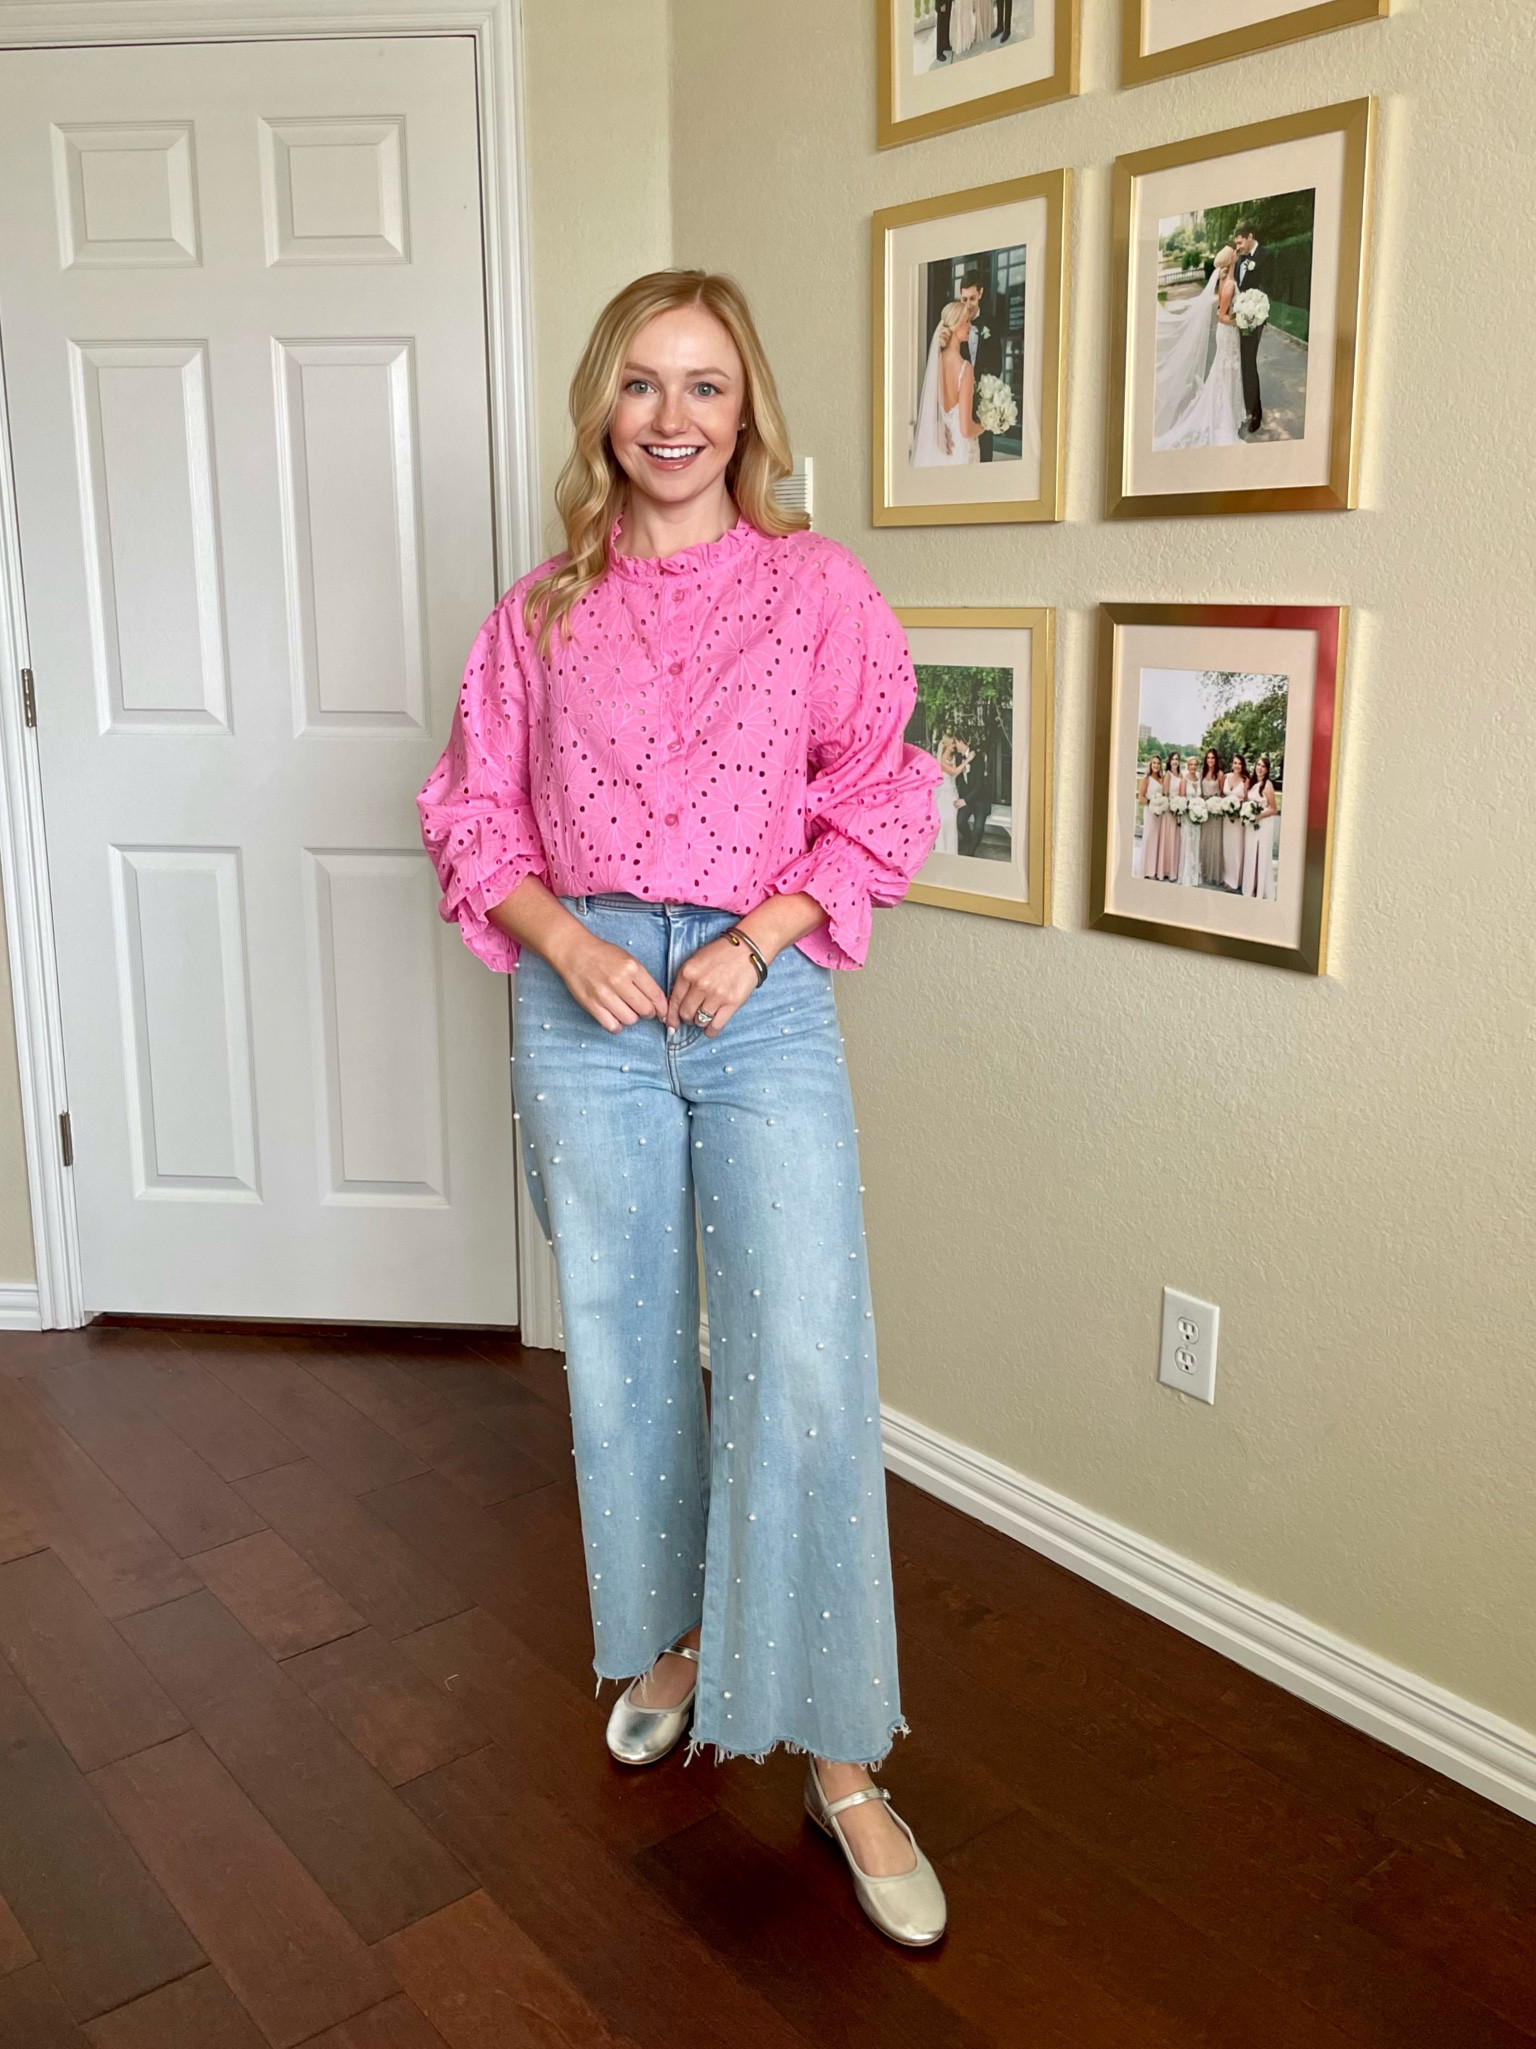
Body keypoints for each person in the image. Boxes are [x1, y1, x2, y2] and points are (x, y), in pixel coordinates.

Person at [417, 269, 948, 1948]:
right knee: (626, 1347)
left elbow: (885, 790)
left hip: (755, 995)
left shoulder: (815, 590)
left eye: (704, 386)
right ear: (602, 409)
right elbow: (471, 811)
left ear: (747, 411)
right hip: (579, 997)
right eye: (640, 385)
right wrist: (565, 939)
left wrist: (758, 941)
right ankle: (667, 1640)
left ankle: (845, 1754)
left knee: (801, 1349)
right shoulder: (538, 609)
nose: (669, 418)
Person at [1154, 246, 1243, 451]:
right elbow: (1221, 315)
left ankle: (1223, 412)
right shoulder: (1228, 284)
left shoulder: (1223, 279)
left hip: (1225, 334)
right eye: (1234, 253)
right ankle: (1222, 418)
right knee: (1226, 372)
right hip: (1228, 332)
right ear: (1231, 260)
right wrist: (1241, 320)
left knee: (1223, 372)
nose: (1237, 254)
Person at [912, 299, 982, 466]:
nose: (970, 326)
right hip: (961, 450)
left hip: (942, 445)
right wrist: (985, 425)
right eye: (966, 321)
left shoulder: (937, 363)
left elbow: (935, 408)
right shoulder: (965, 369)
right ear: (956, 325)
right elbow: (966, 430)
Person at [1233, 221, 1269, 435]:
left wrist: (1256, 314)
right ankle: (1246, 405)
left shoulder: (1266, 256)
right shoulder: (1239, 261)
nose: (1238, 247)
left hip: (1255, 319)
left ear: (1250, 236)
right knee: (1243, 363)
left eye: (1240, 242)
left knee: (1249, 363)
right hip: (1240, 319)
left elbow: (1267, 289)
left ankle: (1256, 413)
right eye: (1236, 244)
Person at [1242, 752, 1280, 898]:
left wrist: (1259, 816)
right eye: (1258, 765)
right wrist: (1247, 813)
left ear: (1267, 769)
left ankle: (1260, 888)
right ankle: (1250, 886)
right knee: (1251, 853)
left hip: (1263, 823)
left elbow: (1273, 808)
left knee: (1261, 853)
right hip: (1251, 823)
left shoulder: (1267, 785)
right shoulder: (1252, 783)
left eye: (1263, 766)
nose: (1260, 768)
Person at [934, 733, 973, 855]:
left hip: (952, 795)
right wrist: (968, 760)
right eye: (952, 744)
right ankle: (942, 851)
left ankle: (952, 852)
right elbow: (955, 771)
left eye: (954, 744)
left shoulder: (954, 758)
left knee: (951, 823)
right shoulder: (940, 762)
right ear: (945, 745)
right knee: (944, 822)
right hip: (944, 796)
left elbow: (956, 775)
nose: (954, 746)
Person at [1138, 755, 1169, 880]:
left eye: (1158, 763)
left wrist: (1160, 805)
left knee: (1157, 840)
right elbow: (1141, 797)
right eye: (1154, 763)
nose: (1156, 765)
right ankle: (1148, 871)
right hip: (1150, 812)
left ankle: (1155, 869)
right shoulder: (1146, 779)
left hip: (1160, 813)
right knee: (1149, 839)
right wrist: (1152, 804)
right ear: (1150, 765)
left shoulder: (1161, 779)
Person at [1222, 751, 1249, 891]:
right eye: (1235, 763)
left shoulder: (1245, 780)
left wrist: (1237, 811)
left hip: (1237, 820)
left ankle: (1235, 881)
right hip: (1226, 819)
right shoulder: (1226, 777)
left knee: (1236, 848)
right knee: (1227, 848)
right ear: (1232, 764)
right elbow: (1222, 795)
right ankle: (1227, 877)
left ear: (1242, 765)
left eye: (1240, 763)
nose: (1237, 766)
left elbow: (1246, 800)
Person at [1199, 748, 1225, 885]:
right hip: (1204, 810)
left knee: (1215, 842)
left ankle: (1214, 873)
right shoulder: (1202, 773)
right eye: (1208, 758)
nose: (1210, 760)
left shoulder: (1220, 774)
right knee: (1204, 841)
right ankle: (1204, 871)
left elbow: (1221, 793)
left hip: (1215, 810)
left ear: (1216, 760)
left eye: (1212, 758)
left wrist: (1216, 804)